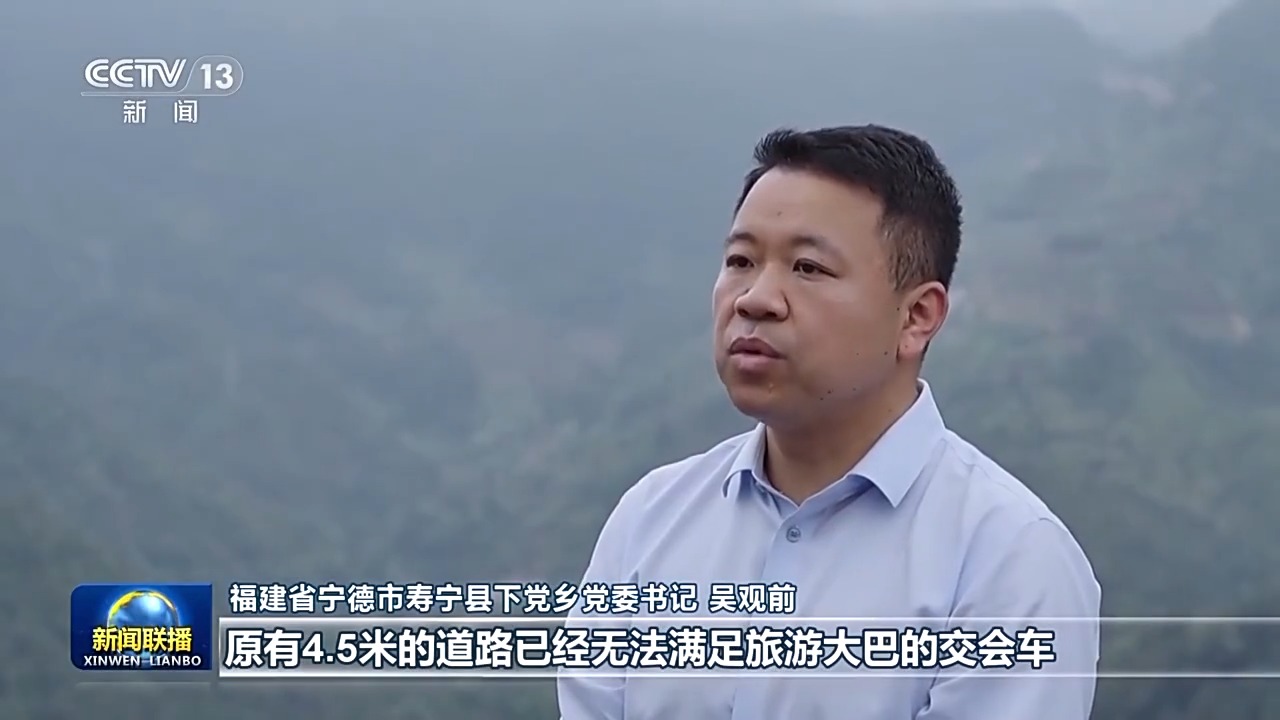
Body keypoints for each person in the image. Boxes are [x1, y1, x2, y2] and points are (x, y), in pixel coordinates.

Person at [557, 125, 1101, 720]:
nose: (755, 298)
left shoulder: (1009, 559)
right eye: (740, 260)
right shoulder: (650, 519)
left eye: (808, 268)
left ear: (917, 316)